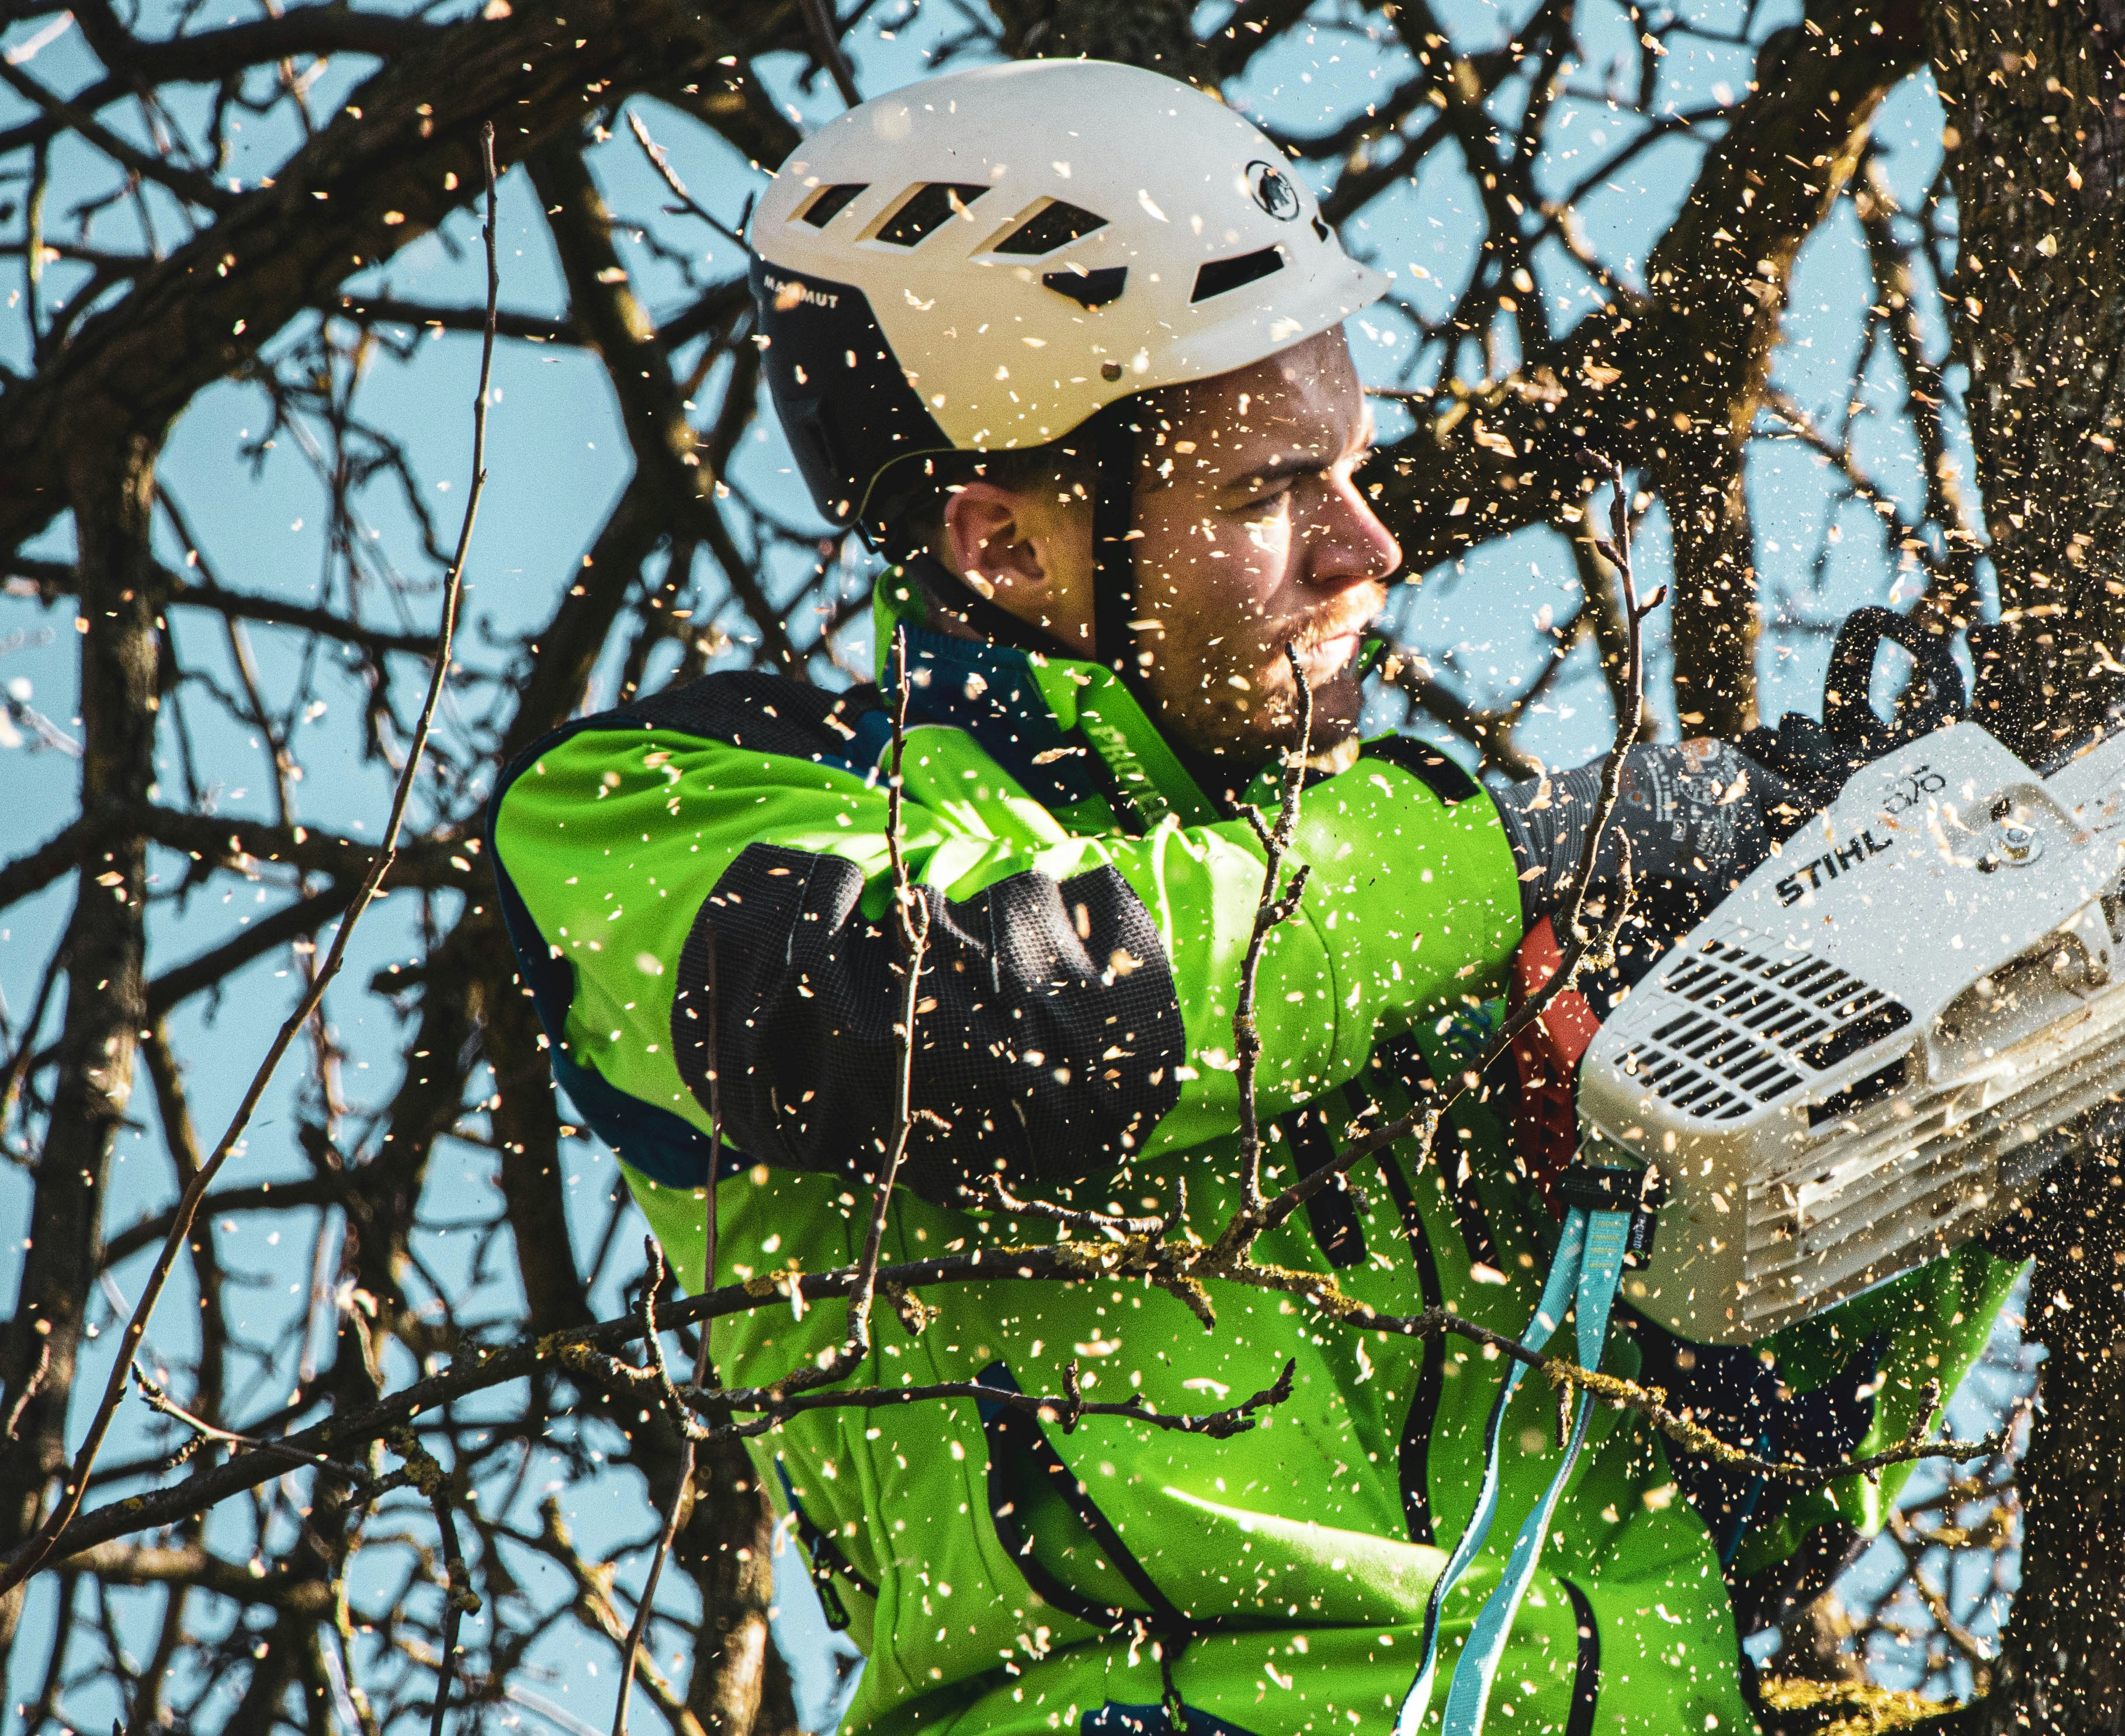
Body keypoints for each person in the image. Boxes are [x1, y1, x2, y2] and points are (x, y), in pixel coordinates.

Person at [486, 59, 2020, 1736]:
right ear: (1001, 544)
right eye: (1270, 491)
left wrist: (1929, 1090)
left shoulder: (1378, 916)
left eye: (1351, 468)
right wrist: (1520, 850)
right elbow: (991, 1027)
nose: (1368, 548)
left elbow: (1730, 1482)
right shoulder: (673, 801)